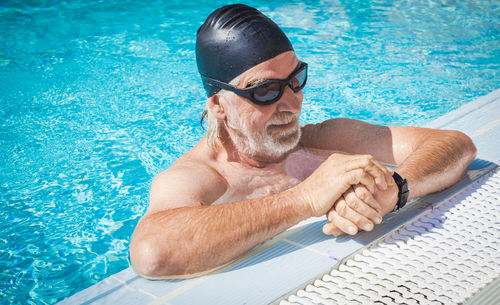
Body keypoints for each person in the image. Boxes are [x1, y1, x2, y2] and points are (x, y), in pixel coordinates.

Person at [129, 4, 476, 279]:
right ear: (219, 105)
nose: (293, 103)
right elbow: (152, 253)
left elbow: (455, 144)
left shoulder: (323, 139)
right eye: (265, 91)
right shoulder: (201, 177)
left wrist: (396, 190)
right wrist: (305, 199)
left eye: (296, 79)